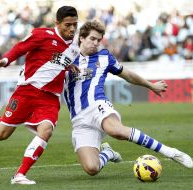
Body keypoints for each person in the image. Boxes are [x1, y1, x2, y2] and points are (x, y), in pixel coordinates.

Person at [63, 20, 193, 176]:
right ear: (82, 38)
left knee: (115, 130)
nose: (96, 43)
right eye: (92, 39)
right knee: (92, 168)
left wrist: (150, 85)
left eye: (99, 40)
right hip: (79, 119)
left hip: (98, 105)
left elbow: (129, 75)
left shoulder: (104, 57)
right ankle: (109, 153)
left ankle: (170, 152)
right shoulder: (66, 58)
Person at [0, 6, 79, 185]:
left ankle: (19, 175)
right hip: (27, 92)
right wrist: (5, 61)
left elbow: (56, 61)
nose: (71, 29)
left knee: (46, 130)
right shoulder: (41, 34)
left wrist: (70, 67)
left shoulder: (74, 46)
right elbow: (20, 48)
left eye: (75, 25)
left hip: (50, 98)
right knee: (1, 135)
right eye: (68, 25)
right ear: (57, 23)